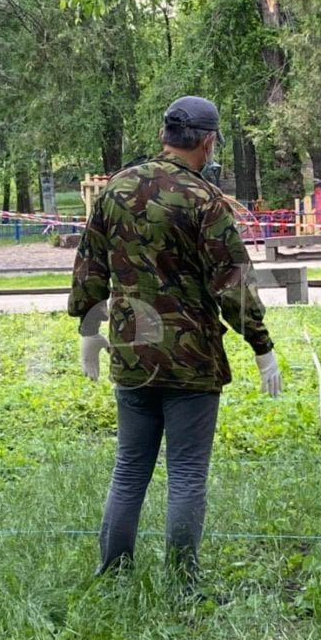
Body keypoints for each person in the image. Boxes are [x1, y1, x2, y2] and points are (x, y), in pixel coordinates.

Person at [68, 94, 283, 590]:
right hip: (190, 359)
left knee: (129, 469)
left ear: (166, 135)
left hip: (130, 351)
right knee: (186, 474)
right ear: (207, 142)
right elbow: (233, 284)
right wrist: (262, 345)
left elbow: (89, 268)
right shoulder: (206, 201)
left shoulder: (116, 188)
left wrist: (87, 329)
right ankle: (184, 582)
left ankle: (114, 572)